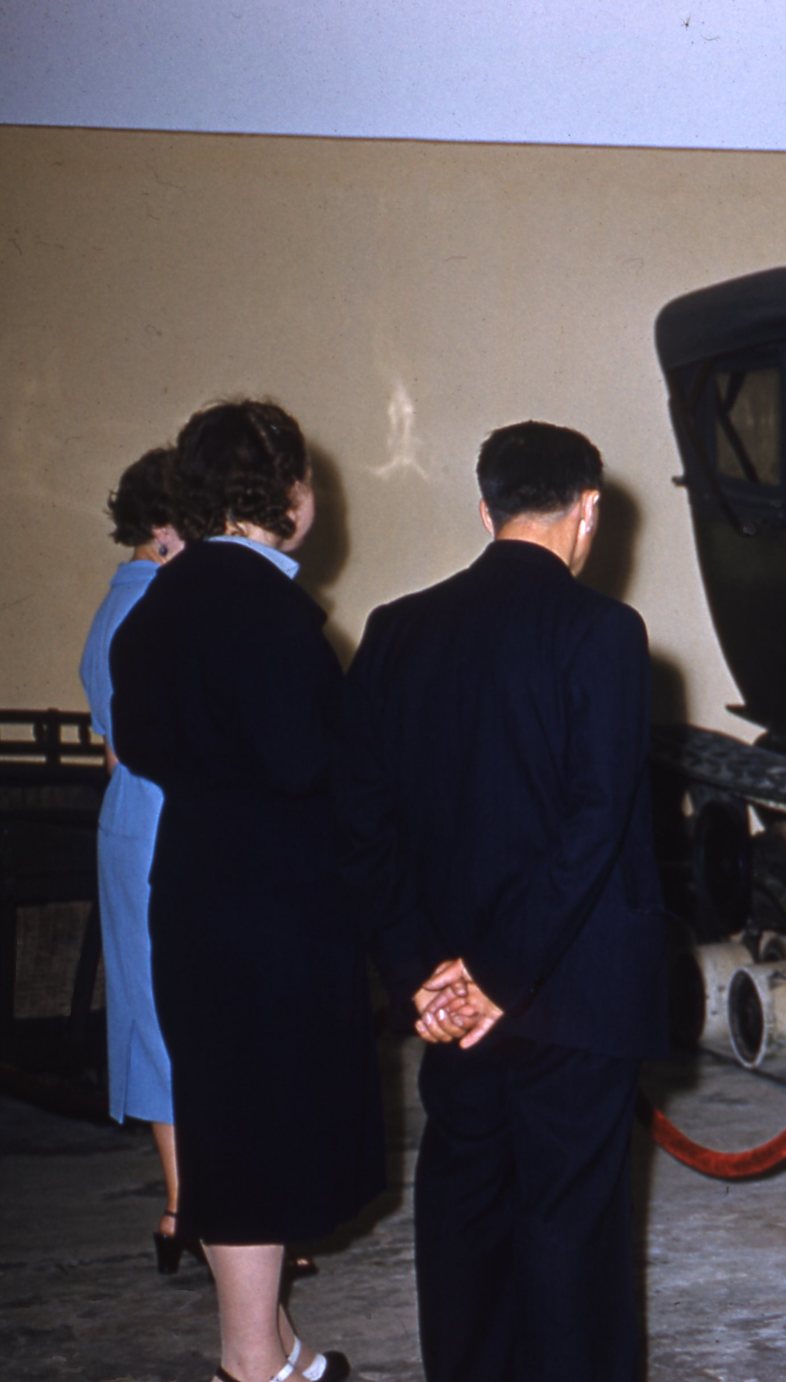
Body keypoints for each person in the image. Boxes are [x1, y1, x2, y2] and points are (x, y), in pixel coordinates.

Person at [338, 420, 666, 1382]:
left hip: (449, 1006)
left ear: (485, 509)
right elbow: (593, 822)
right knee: (573, 1239)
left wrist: (426, 978)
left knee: (466, 1222)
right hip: (572, 994)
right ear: (589, 511)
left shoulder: (397, 631)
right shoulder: (604, 633)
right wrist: (501, 975)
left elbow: (359, 821)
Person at [110, 399, 382, 1382]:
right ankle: (249, 1360)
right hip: (278, 902)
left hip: (192, 886)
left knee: (226, 1124)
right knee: (268, 1127)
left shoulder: (159, 601)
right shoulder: (265, 611)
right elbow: (306, 756)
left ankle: (262, 1346)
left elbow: (140, 741)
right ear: (292, 496)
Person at [79, 446, 187, 1270]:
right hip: (158, 817)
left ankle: (193, 1204)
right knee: (168, 1016)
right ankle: (189, 1207)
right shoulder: (153, 603)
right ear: (162, 525)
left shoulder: (121, 599)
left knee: (161, 1014)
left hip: (135, 816)